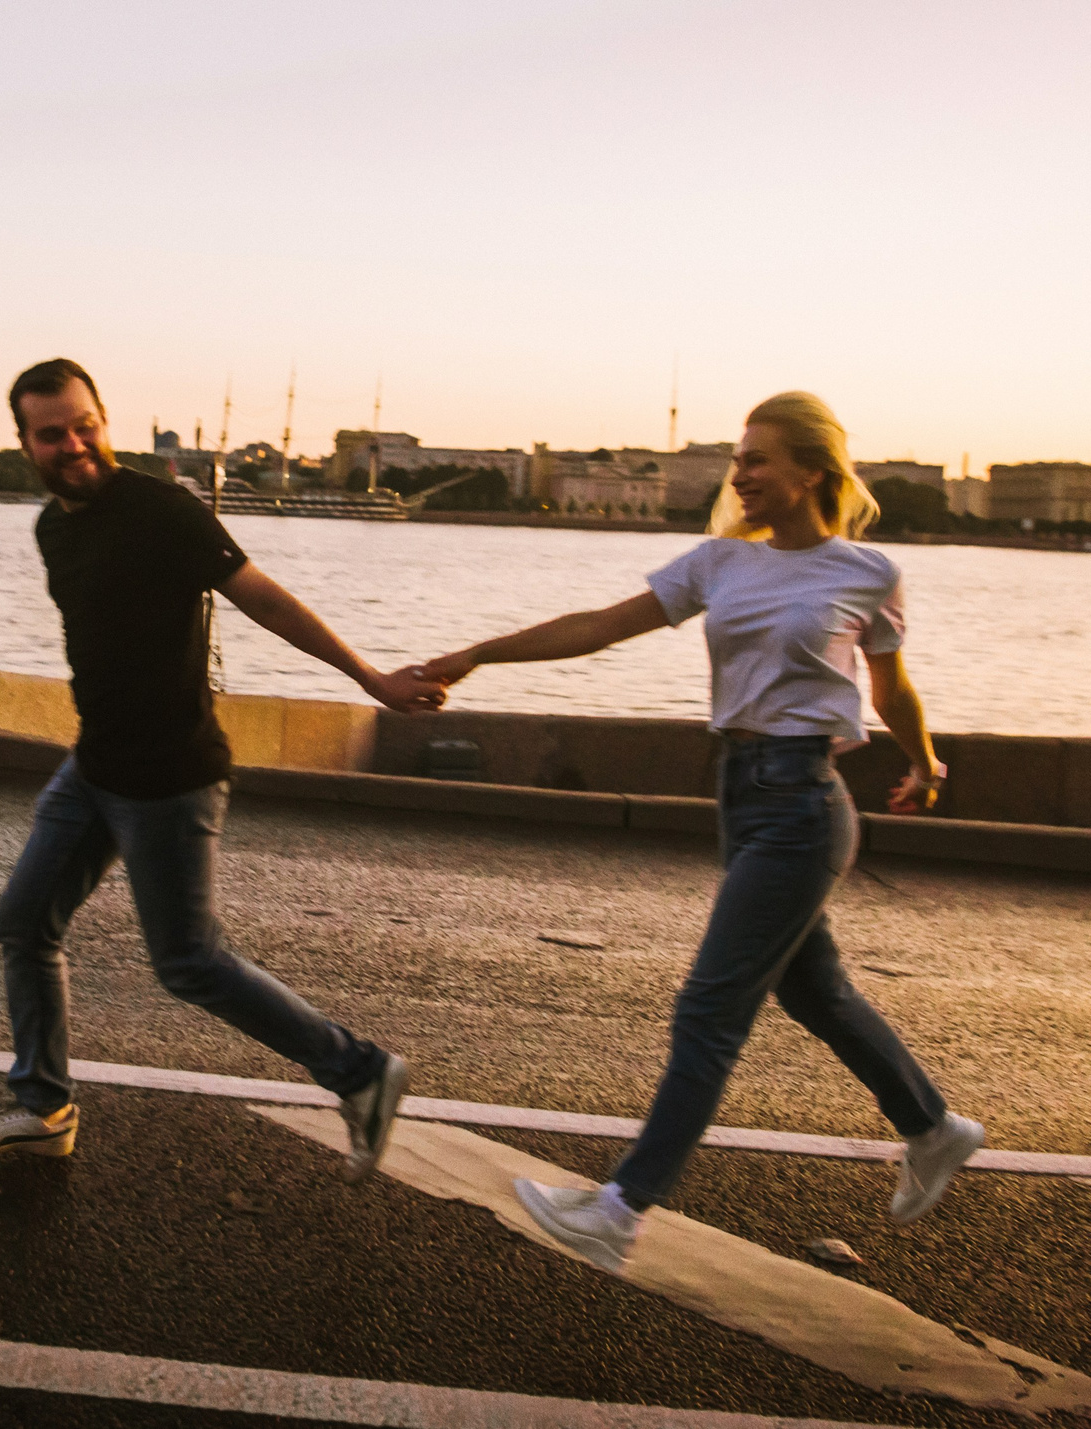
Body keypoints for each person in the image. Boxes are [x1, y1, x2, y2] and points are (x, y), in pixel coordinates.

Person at [412, 390, 982, 1272]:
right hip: (741, 793)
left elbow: (889, 688)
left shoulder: (866, 571)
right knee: (815, 991)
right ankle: (933, 1125)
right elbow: (599, 627)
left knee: (711, 1007)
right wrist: (478, 652)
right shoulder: (722, 562)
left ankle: (620, 1207)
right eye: (738, 460)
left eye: (758, 458)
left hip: (803, 803)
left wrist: (925, 762)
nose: (741, 474)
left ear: (812, 471)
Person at [0, 358, 439, 1182]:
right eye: (52, 433)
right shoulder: (52, 528)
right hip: (95, 766)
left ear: (104, 419)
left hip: (170, 776)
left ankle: (359, 1070)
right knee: (24, 921)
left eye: (84, 425)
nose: (73, 445)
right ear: (26, 442)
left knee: (189, 963)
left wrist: (370, 678)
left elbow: (266, 599)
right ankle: (42, 1108)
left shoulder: (161, 510)